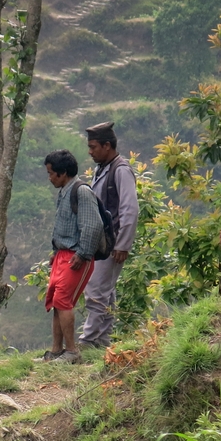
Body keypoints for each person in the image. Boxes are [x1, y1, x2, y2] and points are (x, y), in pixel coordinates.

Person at [80, 122, 140, 348]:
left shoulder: (120, 170)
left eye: (94, 146)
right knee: (105, 292)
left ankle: (87, 342)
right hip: (101, 243)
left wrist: (123, 244)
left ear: (107, 146)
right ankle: (102, 342)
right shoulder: (103, 168)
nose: (90, 151)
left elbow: (129, 209)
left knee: (96, 292)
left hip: (112, 244)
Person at [43, 149, 104, 364]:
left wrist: (83, 253)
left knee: (63, 301)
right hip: (62, 254)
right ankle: (56, 351)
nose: (49, 177)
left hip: (77, 256)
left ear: (63, 173)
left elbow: (93, 225)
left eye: (52, 173)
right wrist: (55, 252)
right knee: (55, 300)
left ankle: (72, 352)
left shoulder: (81, 192)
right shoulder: (64, 191)